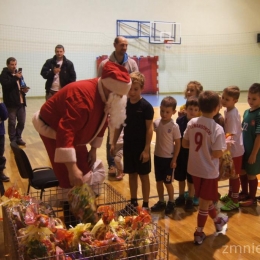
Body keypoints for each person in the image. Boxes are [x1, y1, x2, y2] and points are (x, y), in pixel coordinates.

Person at [32, 61, 131, 188]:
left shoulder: (105, 93)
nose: (121, 98)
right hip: (52, 129)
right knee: (69, 177)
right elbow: (65, 131)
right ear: (109, 88)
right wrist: (72, 168)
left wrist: (94, 149)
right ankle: (69, 203)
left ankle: (80, 201)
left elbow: (102, 120)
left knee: (85, 168)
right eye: (119, 95)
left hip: (75, 133)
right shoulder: (82, 99)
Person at [182, 91, 228, 245]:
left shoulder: (192, 122)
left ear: (200, 107)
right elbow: (216, 153)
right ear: (217, 108)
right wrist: (226, 147)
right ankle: (199, 232)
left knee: (206, 199)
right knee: (204, 202)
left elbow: (185, 144)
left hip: (194, 168)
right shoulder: (217, 129)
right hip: (208, 171)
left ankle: (217, 220)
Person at [111, 71, 154, 212]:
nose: (132, 92)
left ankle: (146, 204)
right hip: (128, 146)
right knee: (132, 175)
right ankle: (134, 202)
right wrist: (113, 143)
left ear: (142, 88)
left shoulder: (146, 107)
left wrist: (147, 149)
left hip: (141, 148)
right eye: (130, 89)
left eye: (136, 89)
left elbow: (149, 129)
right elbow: (119, 125)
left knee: (143, 176)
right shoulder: (124, 105)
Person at [97, 36, 138, 177]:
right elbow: (100, 85)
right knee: (112, 135)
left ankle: (126, 163)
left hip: (128, 103)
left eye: (126, 45)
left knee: (130, 133)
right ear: (114, 45)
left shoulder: (132, 64)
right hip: (112, 103)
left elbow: (137, 83)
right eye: (122, 45)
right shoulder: (104, 64)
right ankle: (113, 165)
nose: (124, 47)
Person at [151, 96, 181, 215]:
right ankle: (161, 201)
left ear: (174, 112)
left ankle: (171, 201)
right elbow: (149, 129)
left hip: (168, 159)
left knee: (167, 182)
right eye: (162, 111)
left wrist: (174, 159)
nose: (164, 114)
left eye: (167, 112)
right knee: (158, 181)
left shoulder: (174, 126)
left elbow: (178, 143)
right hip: (157, 156)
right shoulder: (157, 122)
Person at [219, 86, 244, 211]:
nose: (223, 101)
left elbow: (231, 133)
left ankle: (235, 200)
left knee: (234, 175)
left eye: (227, 99)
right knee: (231, 173)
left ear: (235, 100)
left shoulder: (233, 114)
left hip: (235, 150)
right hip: (231, 148)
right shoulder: (228, 110)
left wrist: (224, 147)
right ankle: (230, 195)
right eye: (223, 97)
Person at [175, 97, 200, 211]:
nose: (193, 112)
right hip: (181, 153)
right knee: (181, 177)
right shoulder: (180, 120)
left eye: (196, 109)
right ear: (186, 109)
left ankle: (190, 198)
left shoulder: (199, 123)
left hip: (193, 155)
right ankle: (181, 196)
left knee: (191, 179)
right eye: (191, 109)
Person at [239, 83, 260, 207]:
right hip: (244, 150)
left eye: (254, 99)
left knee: (251, 174)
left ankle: (252, 198)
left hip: (254, 152)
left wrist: (253, 154)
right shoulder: (247, 112)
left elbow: (259, 136)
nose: (250, 101)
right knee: (242, 171)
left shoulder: (259, 114)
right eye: (248, 98)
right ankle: (245, 192)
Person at [0, 57, 29, 145]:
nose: (14, 66)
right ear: (7, 65)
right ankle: (12, 140)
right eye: (12, 64)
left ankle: (18, 137)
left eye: (15, 64)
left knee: (22, 122)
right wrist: (15, 78)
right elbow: (6, 85)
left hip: (21, 102)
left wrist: (24, 89)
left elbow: (22, 84)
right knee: (12, 123)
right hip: (11, 104)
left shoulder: (19, 74)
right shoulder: (4, 74)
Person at [0, 100, 9, 182]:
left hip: (0, 133)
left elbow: (5, 116)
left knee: (0, 153)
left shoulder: (1, 104)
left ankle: (0, 171)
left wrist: (1, 103)